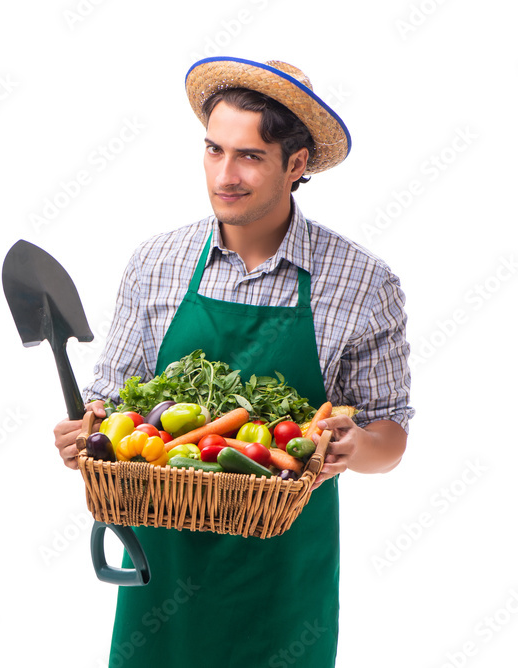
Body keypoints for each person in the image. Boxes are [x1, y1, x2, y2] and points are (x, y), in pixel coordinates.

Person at [52, 57, 414, 667]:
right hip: (161, 572)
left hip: (285, 581)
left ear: (296, 165)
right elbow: (112, 401)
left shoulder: (361, 282)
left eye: (249, 156)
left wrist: (356, 445)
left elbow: (391, 432)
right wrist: (86, 433)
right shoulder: (156, 262)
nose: (225, 174)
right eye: (214, 150)